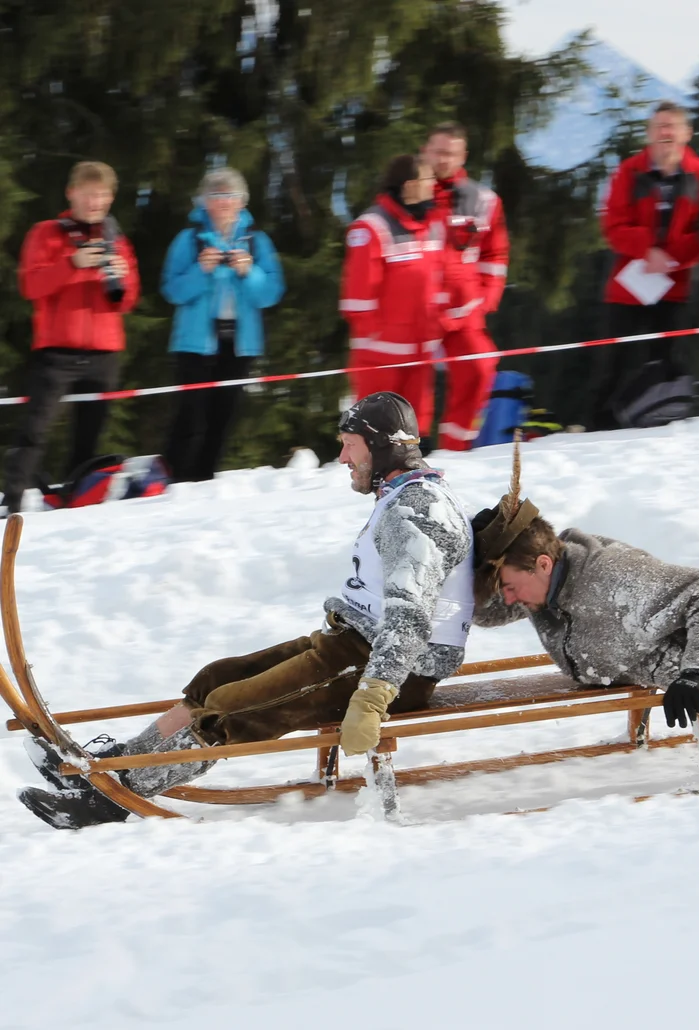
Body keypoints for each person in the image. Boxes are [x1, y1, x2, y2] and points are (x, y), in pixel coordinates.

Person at [19, 392, 475, 829]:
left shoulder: (416, 512)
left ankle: (112, 797)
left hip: (391, 669)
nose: (342, 458)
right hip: (354, 644)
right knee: (216, 678)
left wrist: (375, 696)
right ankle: (113, 762)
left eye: (349, 446)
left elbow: (409, 616)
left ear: (379, 447)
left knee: (230, 708)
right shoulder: (406, 496)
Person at [470, 447, 699, 731]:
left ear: (543, 564)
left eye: (510, 587)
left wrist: (696, 672)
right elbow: (489, 611)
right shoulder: (544, 587)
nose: (509, 598)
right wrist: (464, 562)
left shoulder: (611, 578)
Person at [2, 161, 140, 514]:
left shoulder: (117, 239)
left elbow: (127, 301)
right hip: (56, 352)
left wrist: (121, 278)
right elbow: (30, 285)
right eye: (89, 194)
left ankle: (77, 501)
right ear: (71, 193)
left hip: (104, 353)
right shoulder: (47, 232)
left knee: (89, 435)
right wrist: (72, 264)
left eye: (103, 196)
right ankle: (11, 502)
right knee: (35, 430)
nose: (96, 202)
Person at [591, 101, 699, 430]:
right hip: (628, 284)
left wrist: (673, 258)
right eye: (659, 126)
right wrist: (647, 250)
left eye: (672, 126)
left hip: (675, 285)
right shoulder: (628, 171)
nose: (665, 132)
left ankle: (658, 420)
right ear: (648, 135)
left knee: (666, 359)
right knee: (614, 360)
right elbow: (612, 226)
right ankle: (600, 426)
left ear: (686, 133)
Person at [160, 167, 285, 483]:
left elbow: (271, 292)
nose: (224, 202)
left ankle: (204, 481)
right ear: (203, 201)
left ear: (243, 201)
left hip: (240, 344)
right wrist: (200, 270)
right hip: (194, 344)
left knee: (222, 418)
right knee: (189, 417)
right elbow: (171, 290)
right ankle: (172, 481)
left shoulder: (258, 242)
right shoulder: (188, 240)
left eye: (231, 196)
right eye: (216, 195)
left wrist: (249, 272)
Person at [340, 155, 442, 443]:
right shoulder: (371, 227)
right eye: (428, 179)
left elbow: (438, 280)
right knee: (378, 433)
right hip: (381, 356)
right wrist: (378, 339)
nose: (434, 185)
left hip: (421, 351)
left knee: (417, 433)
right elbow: (357, 297)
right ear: (410, 185)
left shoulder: (432, 225)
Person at [423, 123, 509, 451]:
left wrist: (485, 299)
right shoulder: (407, 193)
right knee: (407, 385)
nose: (443, 159)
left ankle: (456, 450)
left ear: (463, 156)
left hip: (463, 312)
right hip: (415, 313)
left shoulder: (484, 200)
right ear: (425, 151)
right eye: (438, 151)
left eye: (451, 153)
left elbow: (495, 254)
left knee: (480, 366)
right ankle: (401, 457)